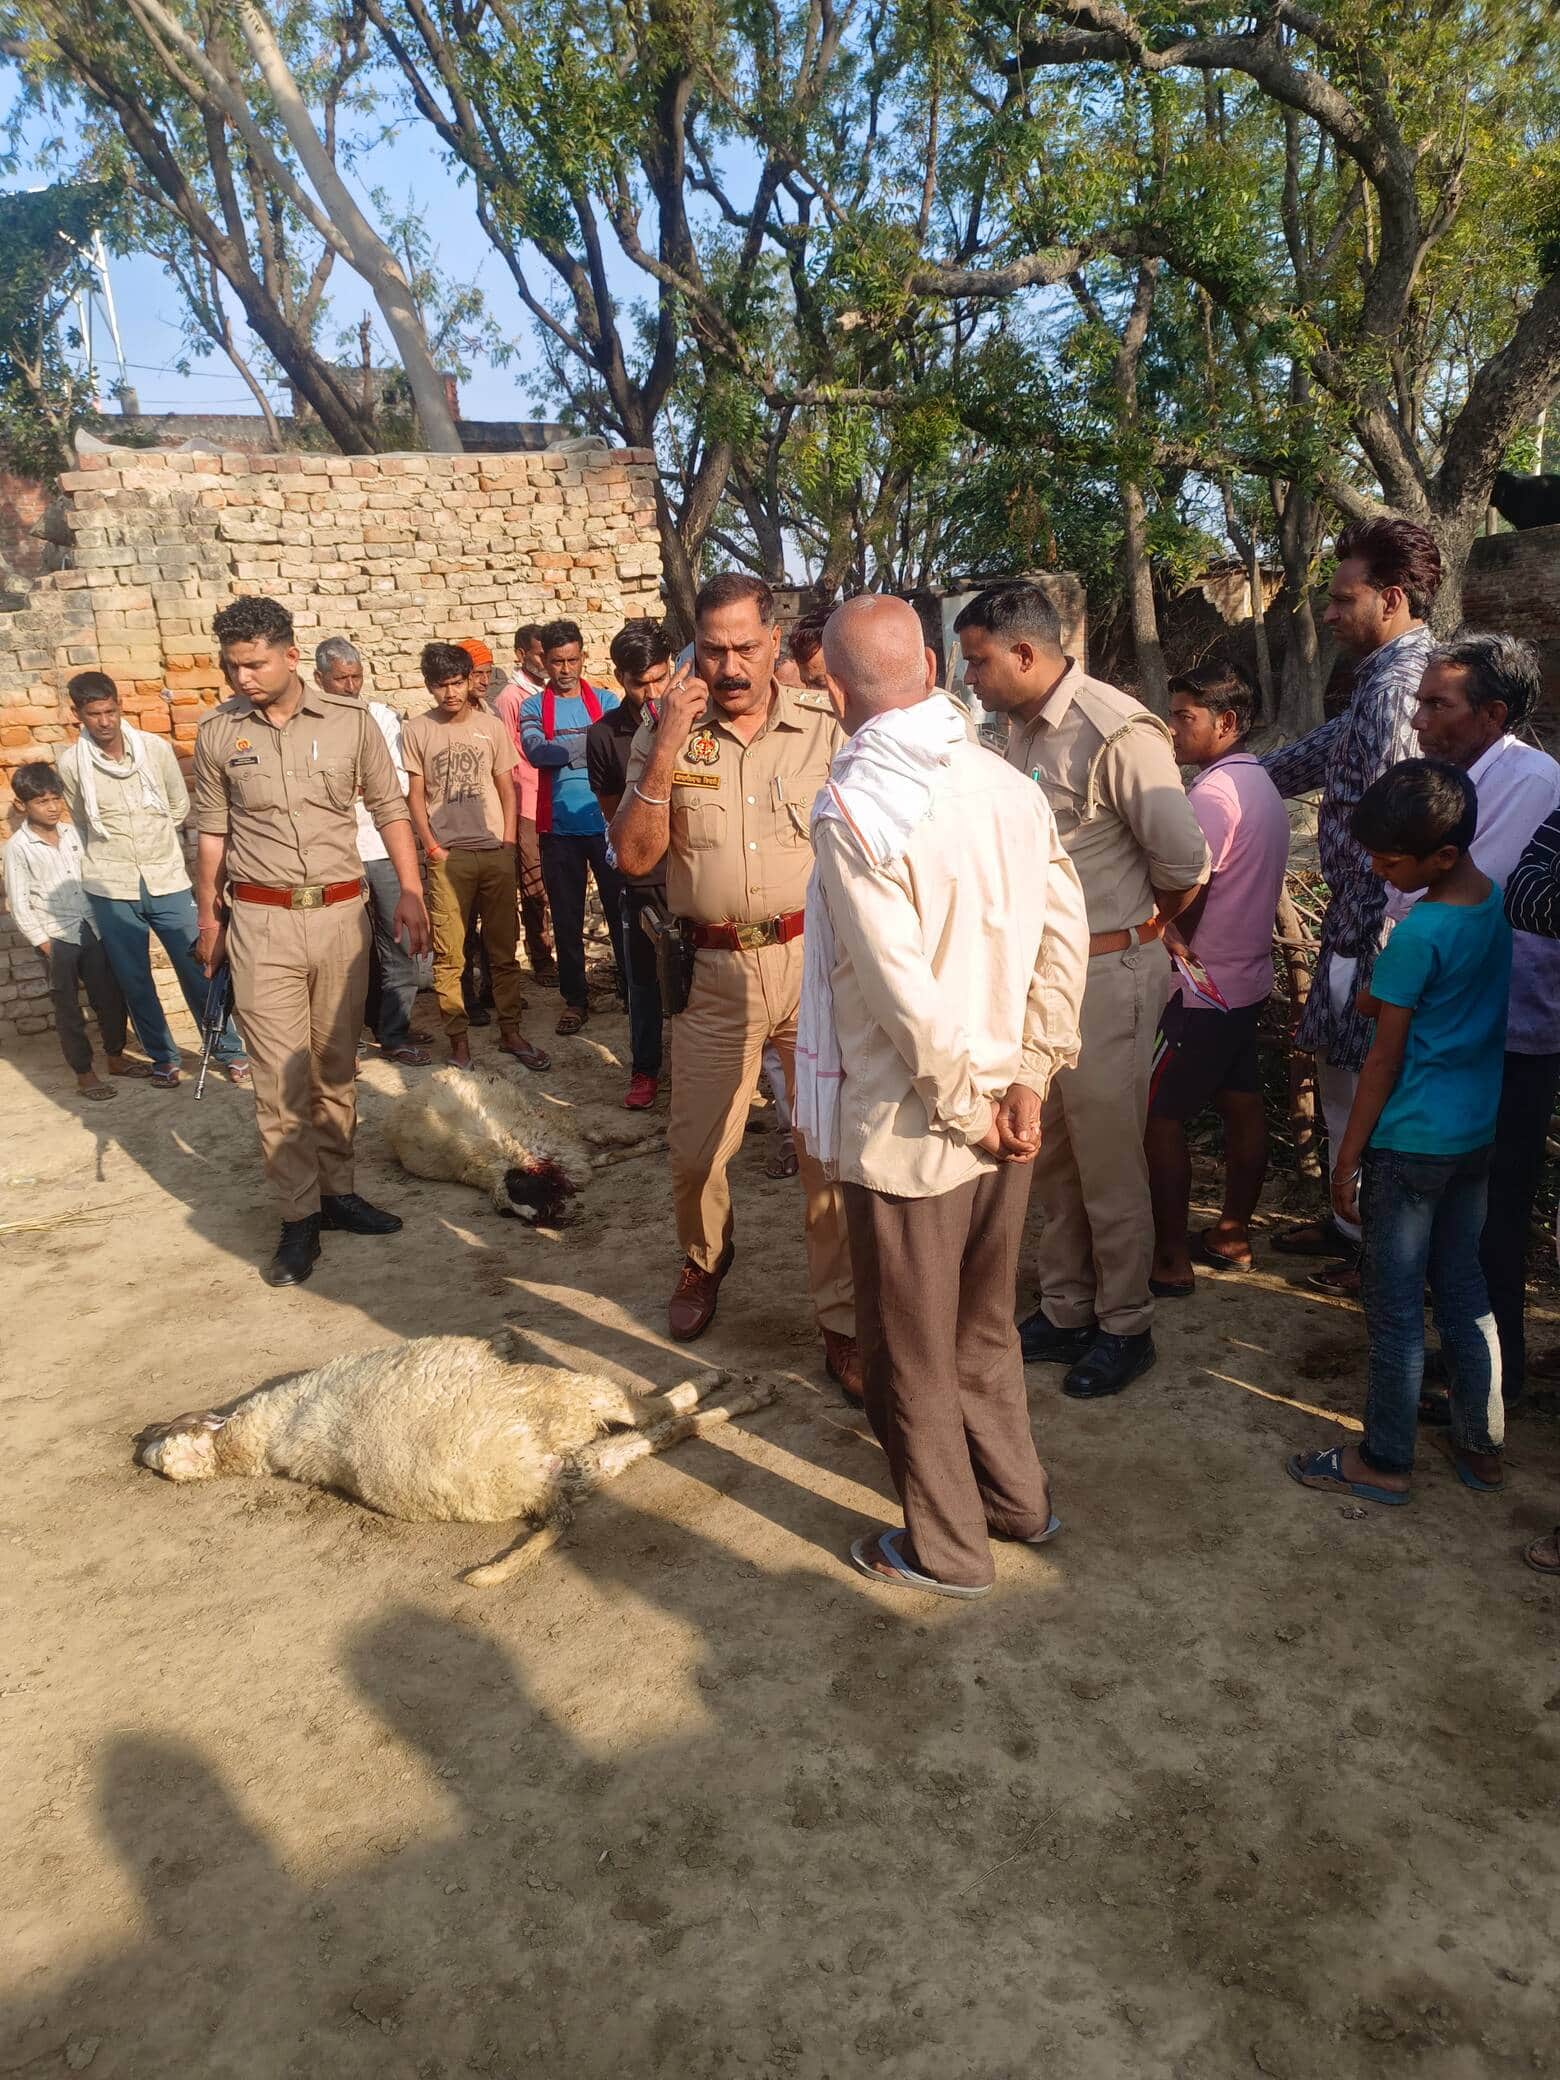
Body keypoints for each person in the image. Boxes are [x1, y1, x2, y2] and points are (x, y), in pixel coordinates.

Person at [798, 597, 1090, 1596]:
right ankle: (1016, 1501)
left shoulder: (856, 805)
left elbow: (898, 990)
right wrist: (1029, 1074)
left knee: (907, 1349)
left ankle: (951, 1549)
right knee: (981, 1327)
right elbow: (1065, 930)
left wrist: (974, 1099)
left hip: (920, 1129)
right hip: (1004, 1114)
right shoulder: (1005, 783)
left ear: (833, 687)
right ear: (931, 664)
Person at [955, 584, 1209, 1399]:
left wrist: (1136, 933)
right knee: (1051, 1154)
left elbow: (1184, 865)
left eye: (979, 662)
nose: (972, 681)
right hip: (1046, 980)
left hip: (1109, 976)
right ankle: (1065, 1311)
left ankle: (1125, 1324)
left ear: (1025, 653)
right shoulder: (1022, 731)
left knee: (1109, 1163)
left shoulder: (1114, 730)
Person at [611, 572, 859, 1392]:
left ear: (773, 641)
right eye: (712, 650)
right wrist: (669, 749)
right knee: (697, 1148)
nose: (729, 667)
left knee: (823, 1148)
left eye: (745, 647)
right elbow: (635, 857)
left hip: (814, 968)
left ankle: (843, 1316)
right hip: (712, 972)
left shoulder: (827, 725)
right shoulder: (670, 730)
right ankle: (703, 1260)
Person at [192, 595, 432, 1287]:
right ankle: (298, 1217)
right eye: (233, 666)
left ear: (292, 655)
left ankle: (339, 1192)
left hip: (340, 918)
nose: (243, 678)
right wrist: (210, 921)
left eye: (255, 663)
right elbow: (212, 832)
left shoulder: (354, 724)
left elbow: (389, 808)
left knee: (334, 1067)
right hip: (261, 923)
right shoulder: (219, 735)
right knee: (280, 1078)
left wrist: (410, 891)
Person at [1288, 760, 1510, 1506]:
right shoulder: (1490, 904)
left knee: (1393, 1310)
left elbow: (1382, 1058)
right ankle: (1480, 1446)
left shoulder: (1421, 933)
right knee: (1464, 1289)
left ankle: (1383, 1458)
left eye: (1390, 861)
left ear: (1441, 856)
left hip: (1410, 1139)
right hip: (1475, 1129)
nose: (1381, 872)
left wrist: (1346, 1159)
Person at [1263, 518, 1442, 1291]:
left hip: (1375, 922)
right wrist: (1225, 777)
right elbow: (1311, 756)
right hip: (1359, 916)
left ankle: (1377, 1251)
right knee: (1345, 1078)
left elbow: (1401, 834)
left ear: (1392, 599)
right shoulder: (1382, 682)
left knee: (1365, 1081)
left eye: (1343, 599)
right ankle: (1351, 1229)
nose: (1329, 614)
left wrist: (1383, 945)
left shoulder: (1400, 692)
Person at [1406, 631, 1560, 1412]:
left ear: (1493, 712)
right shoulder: (1456, 777)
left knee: (1492, 1215)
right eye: (1421, 700)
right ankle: (1474, 1368)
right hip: (1462, 1028)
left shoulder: (1533, 782)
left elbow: (1464, 892)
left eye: (1439, 703)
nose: (1420, 716)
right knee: (1458, 1212)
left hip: (1510, 1035)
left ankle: (1493, 1384)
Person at [1146, 665, 1292, 1294]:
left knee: (1158, 1116)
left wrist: (1163, 929)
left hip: (1201, 986)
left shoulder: (1212, 795)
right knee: (1241, 1102)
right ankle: (1231, 1233)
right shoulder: (1259, 785)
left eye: (1186, 717)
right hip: (1246, 979)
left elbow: (1189, 883)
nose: (1175, 729)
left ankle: (1172, 1258)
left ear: (1225, 723)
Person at [57, 670, 247, 1089]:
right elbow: (82, 820)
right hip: (110, 884)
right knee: (134, 978)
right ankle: (163, 1057)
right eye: (94, 714)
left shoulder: (154, 749)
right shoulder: (72, 764)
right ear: (78, 715)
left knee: (201, 966)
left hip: (166, 877)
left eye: (110, 711)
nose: (104, 721)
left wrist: (153, 843)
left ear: (119, 707)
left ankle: (229, 1050)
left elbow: (179, 806)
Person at [401, 642, 549, 1074]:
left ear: (469, 682)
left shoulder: (491, 726)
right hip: (449, 858)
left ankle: (511, 1032)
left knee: (503, 950)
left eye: (457, 683)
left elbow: (507, 786)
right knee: (451, 955)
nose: (450, 693)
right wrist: (431, 847)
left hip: (494, 853)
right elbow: (414, 796)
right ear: (430, 687)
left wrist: (506, 842)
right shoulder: (417, 730)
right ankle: (459, 1041)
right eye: (440, 685)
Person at [314, 637, 432, 1067]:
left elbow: (395, 783)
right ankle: (358, 1033)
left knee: (396, 941)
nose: (349, 686)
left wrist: (353, 785)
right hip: (332, 854)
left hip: (380, 847)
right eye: (340, 678)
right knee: (346, 950)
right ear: (319, 679)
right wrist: (352, 785)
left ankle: (395, 1031)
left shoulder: (379, 717)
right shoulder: (309, 724)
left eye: (355, 677)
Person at [3, 761, 137, 1102]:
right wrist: (44, 943)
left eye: (55, 798)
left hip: (90, 927)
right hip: (55, 936)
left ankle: (116, 1056)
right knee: (68, 1009)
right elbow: (19, 902)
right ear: (22, 805)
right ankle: (84, 1073)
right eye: (41, 801)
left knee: (109, 997)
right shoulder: (18, 848)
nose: (52, 807)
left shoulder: (72, 833)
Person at [520, 618, 628, 1034]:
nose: (565, 669)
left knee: (622, 912)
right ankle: (575, 999)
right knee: (565, 918)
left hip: (607, 825)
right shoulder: (533, 707)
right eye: (556, 662)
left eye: (572, 659)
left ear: (583, 657)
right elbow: (536, 752)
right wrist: (590, 745)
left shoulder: (604, 700)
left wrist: (566, 749)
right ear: (543, 662)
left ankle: (629, 988)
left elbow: (616, 753)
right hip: (558, 829)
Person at [586, 619, 674, 1109]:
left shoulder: (693, 722)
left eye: (660, 677)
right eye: (640, 682)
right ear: (620, 678)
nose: (653, 691)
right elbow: (617, 819)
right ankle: (645, 1071)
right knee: (642, 981)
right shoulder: (604, 736)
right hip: (643, 880)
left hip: (694, 876)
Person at [494, 626, 555, 983]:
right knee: (533, 883)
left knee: (556, 879)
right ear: (521, 655)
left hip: (554, 798)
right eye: (537, 655)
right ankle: (541, 957)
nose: (544, 662)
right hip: (528, 800)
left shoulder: (550, 693)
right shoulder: (511, 698)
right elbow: (509, 758)